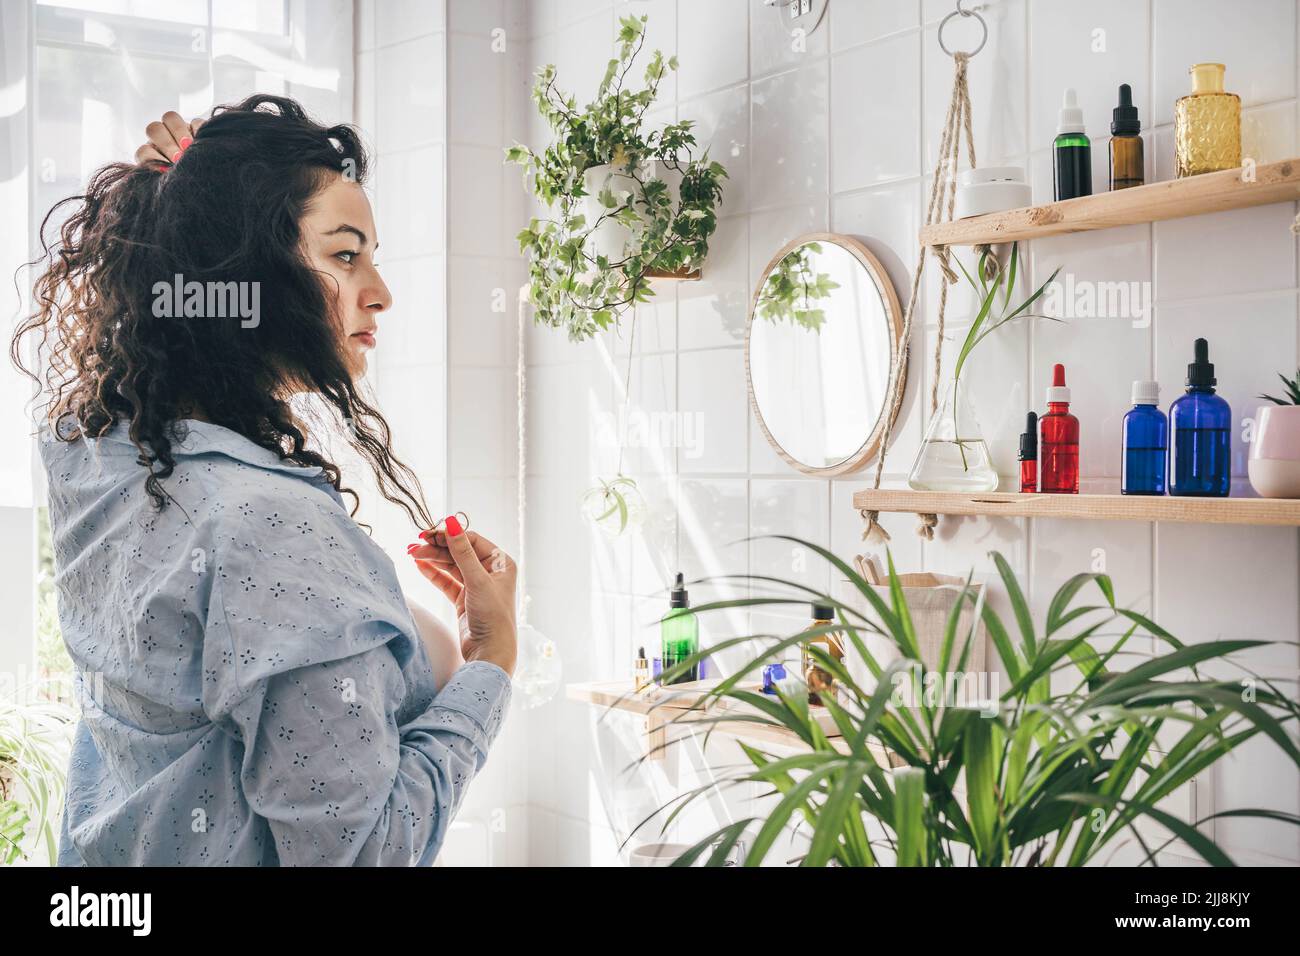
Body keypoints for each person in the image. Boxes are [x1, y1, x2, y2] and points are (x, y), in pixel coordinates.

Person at [12, 94, 517, 865]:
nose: (380, 291)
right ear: (247, 275)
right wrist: (490, 660)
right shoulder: (269, 522)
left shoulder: (104, 462)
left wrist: (178, 212)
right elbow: (364, 851)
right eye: (346, 256)